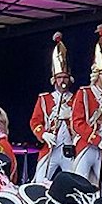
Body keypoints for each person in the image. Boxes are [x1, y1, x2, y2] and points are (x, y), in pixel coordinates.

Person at [69, 26, 102, 194]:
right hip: (87, 145)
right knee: (79, 185)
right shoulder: (84, 93)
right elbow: (77, 123)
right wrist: (96, 138)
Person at [31, 34, 82, 184]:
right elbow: (35, 121)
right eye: (59, 77)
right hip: (50, 147)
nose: (63, 81)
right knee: (40, 181)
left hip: (69, 149)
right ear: (54, 79)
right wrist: (43, 134)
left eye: (65, 77)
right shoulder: (44, 99)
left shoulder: (76, 98)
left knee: (72, 182)